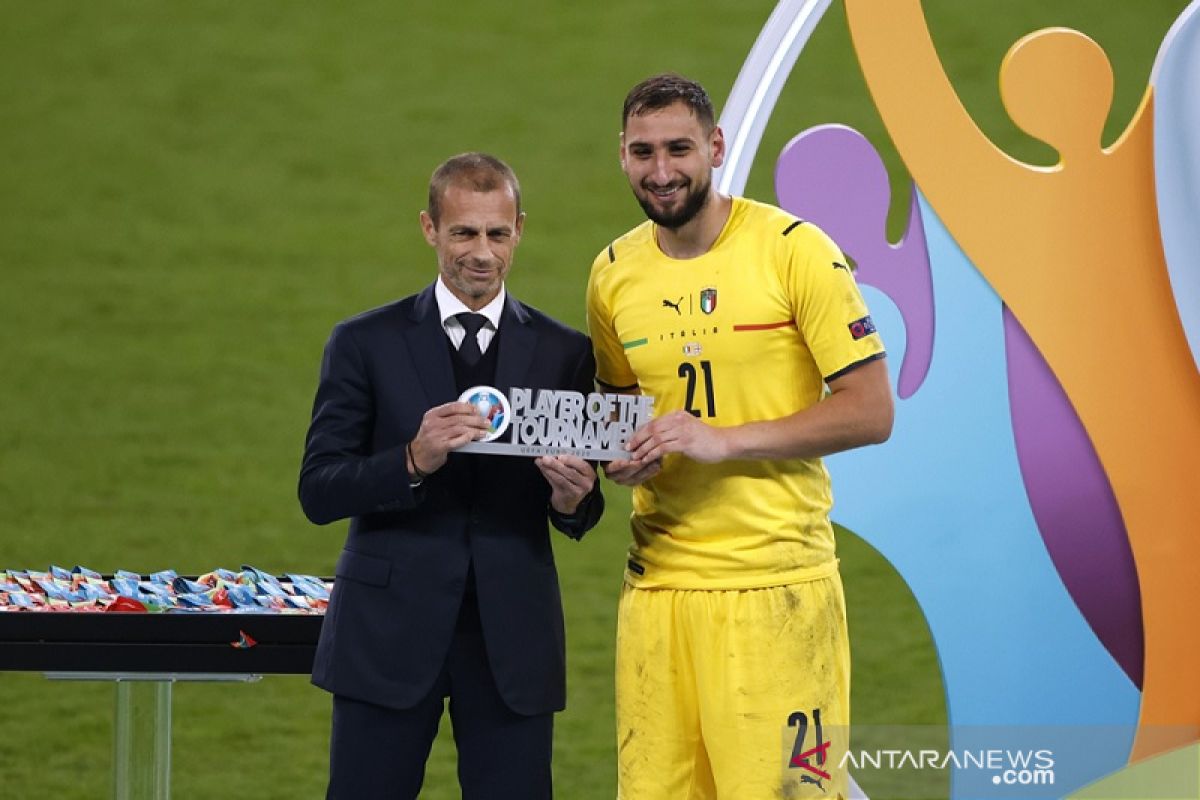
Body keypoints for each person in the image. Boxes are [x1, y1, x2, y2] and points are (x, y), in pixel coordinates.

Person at [586, 74, 894, 799]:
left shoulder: (796, 252)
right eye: (643, 152)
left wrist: (725, 440)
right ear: (622, 156)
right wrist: (614, 460)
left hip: (775, 589)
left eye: (679, 149)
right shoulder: (611, 275)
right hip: (657, 595)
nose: (661, 171)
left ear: (716, 146)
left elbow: (871, 410)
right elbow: (620, 416)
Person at [300, 152, 604, 799]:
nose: (482, 253)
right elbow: (318, 488)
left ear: (520, 229)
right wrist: (410, 460)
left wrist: (574, 499)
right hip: (384, 637)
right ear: (429, 228)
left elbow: (582, 506)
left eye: (497, 233)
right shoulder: (363, 342)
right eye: (464, 232)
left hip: (511, 646)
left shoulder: (565, 353)